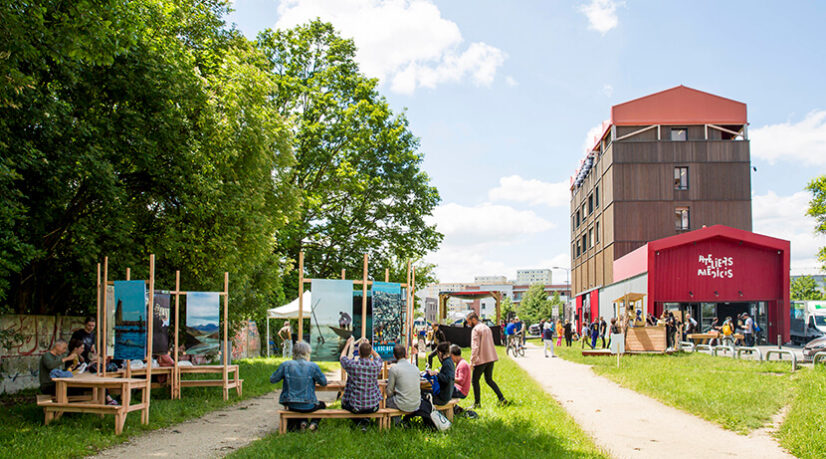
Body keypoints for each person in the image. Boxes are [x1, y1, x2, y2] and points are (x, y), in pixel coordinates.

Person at [270, 341, 327, 431]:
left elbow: (273, 379)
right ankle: (313, 423)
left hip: (291, 403)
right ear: (307, 353)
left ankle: (302, 422)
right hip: (309, 404)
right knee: (322, 405)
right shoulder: (313, 366)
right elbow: (324, 382)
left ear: (294, 353)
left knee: (298, 406)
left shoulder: (286, 365)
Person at [340, 336, 383, 430]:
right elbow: (379, 358)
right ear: (370, 352)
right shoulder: (375, 366)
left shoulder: (353, 365)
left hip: (356, 408)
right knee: (367, 406)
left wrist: (347, 344)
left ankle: (360, 422)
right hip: (373, 407)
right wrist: (369, 347)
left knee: (343, 404)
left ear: (358, 352)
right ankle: (364, 421)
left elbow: (342, 358)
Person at [467, 312, 507, 408]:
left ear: (473, 320)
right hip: (491, 358)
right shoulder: (487, 327)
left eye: (469, 322)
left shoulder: (476, 329)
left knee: (475, 381)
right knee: (489, 379)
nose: (468, 324)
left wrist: (472, 362)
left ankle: (477, 403)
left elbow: (475, 347)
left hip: (481, 359)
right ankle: (501, 398)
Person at [386, 344, 421, 413]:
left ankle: (396, 422)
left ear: (394, 356)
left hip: (402, 404)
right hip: (416, 403)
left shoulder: (394, 369)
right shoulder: (416, 369)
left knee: (386, 402)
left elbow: (389, 392)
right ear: (406, 354)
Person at [427, 342, 455, 406]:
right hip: (447, 395)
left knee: (424, 395)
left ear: (440, 353)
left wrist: (436, 373)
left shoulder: (447, 363)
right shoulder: (449, 361)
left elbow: (448, 378)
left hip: (442, 399)